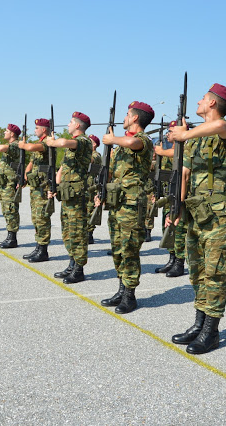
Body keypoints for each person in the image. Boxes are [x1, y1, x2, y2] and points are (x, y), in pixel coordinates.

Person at [167, 83, 226, 355]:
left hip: (219, 216)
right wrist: (176, 206)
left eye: (202, 98)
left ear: (213, 103)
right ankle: (198, 324)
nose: (198, 101)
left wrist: (185, 134)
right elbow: (185, 173)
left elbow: (221, 127)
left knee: (215, 272)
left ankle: (211, 331)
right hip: (195, 213)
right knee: (197, 271)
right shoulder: (196, 138)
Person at [98, 102, 154, 313]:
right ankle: (121, 289)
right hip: (117, 202)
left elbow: (134, 142)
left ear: (135, 118)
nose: (124, 117)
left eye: (127, 114)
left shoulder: (143, 140)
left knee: (130, 249)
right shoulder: (122, 145)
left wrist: (113, 140)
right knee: (118, 249)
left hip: (132, 204)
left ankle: (130, 296)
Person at [46, 111, 93, 284]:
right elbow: (63, 168)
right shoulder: (72, 146)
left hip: (77, 194)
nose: (68, 125)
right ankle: (72, 263)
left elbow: (64, 142)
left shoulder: (83, 142)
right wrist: (55, 187)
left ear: (78, 125)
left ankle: (79, 269)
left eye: (70, 122)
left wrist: (51, 141)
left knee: (77, 232)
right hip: (67, 193)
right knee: (67, 231)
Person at [154, 121, 188, 278]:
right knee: (166, 226)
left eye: (171, 131)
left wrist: (161, 151)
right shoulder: (168, 151)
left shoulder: (185, 149)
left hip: (181, 194)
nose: (169, 134)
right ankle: (172, 258)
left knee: (179, 229)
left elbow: (179, 156)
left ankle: (180, 262)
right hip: (170, 193)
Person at [19, 118, 54, 262]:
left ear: (44, 129)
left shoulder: (46, 143)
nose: (35, 130)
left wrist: (23, 144)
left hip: (43, 187)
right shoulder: (40, 143)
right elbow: (31, 162)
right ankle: (38, 246)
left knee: (42, 217)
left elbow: (31, 148)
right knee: (35, 217)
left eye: (37, 128)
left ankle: (43, 250)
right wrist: (25, 176)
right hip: (35, 186)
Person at [0, 124, 21, 248]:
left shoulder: (15, 145)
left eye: (7, 131)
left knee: (11, 209)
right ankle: (9, 235)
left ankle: (12, 237)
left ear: (12, 134)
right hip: (4, 183)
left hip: (10, 184)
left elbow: (2, 148)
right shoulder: (10, 147)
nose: (4, 132)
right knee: (6, 209)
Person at [86, 134, 102, 245]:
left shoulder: (96, 155)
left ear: (94, 144)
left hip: (92, 186)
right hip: (85, 185)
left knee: (90, 209)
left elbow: (90, 160)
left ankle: (89, 234)